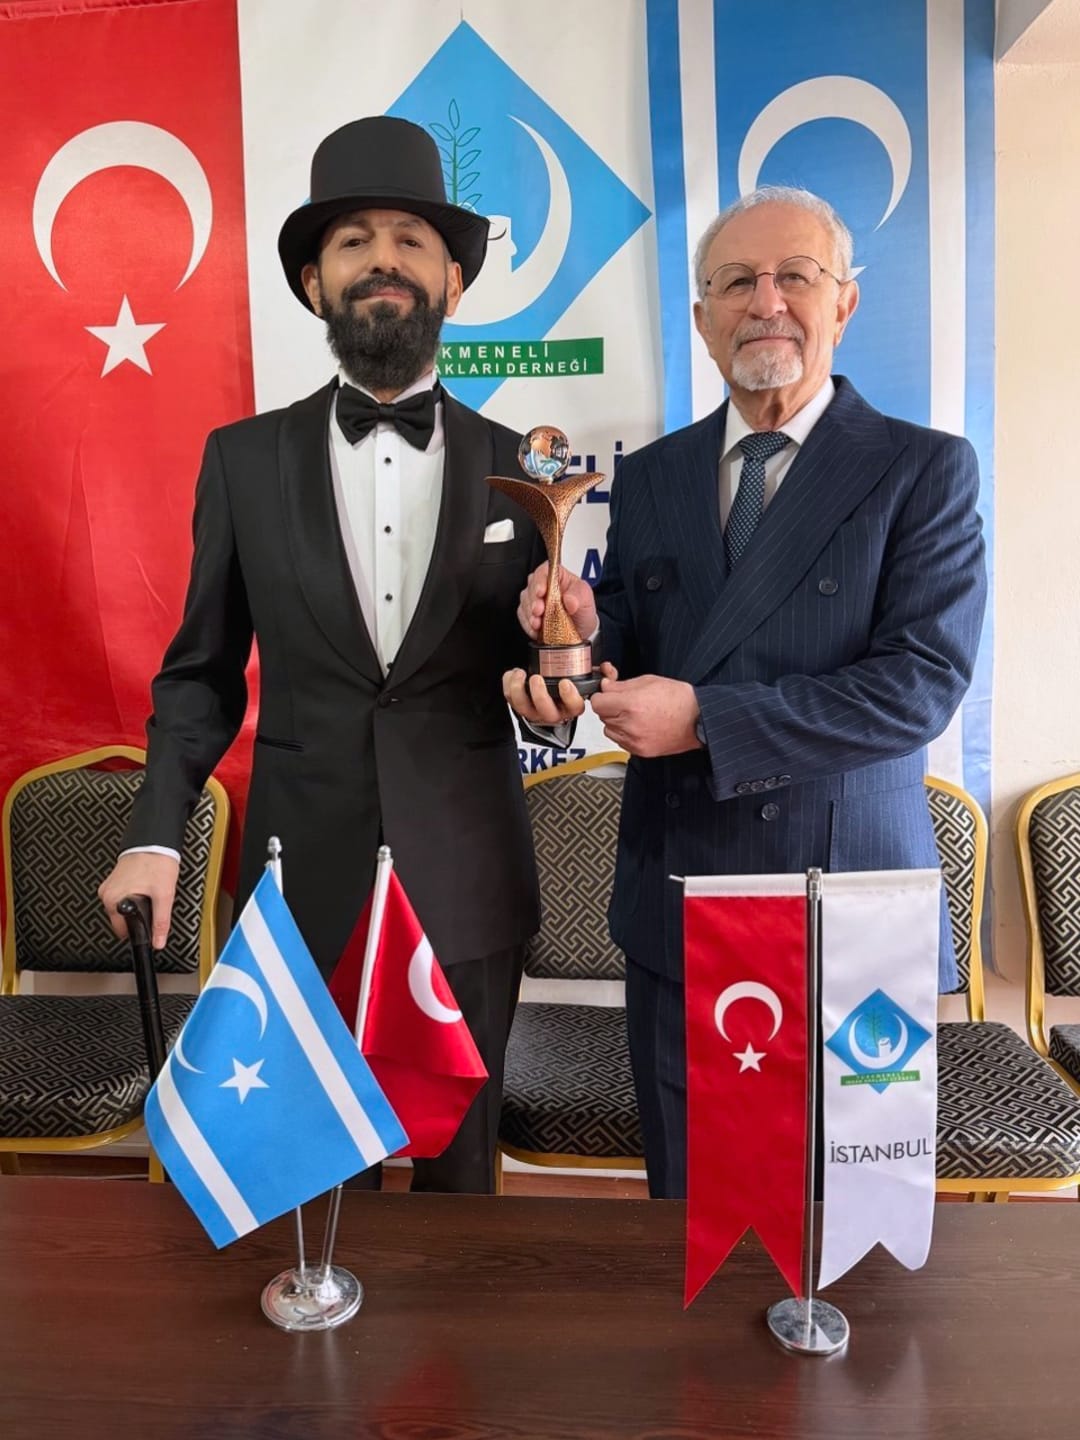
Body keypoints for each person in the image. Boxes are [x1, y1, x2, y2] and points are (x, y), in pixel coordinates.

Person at [506, 186, 987, 1198]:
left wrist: (707, 721)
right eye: (736, 282)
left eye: (794, 277)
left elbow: (919, 687)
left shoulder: (923, 468)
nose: (766, 302)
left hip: (844, 907)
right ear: (702, 317)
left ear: (844, 301)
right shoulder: (653, 476)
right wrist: (579, 637)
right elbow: (631, 637)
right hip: (682, 893)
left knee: (850, 1213)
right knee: (696, 1208)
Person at [98, 116, 543, 1194]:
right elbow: (199, 675)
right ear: (314, 283)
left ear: (453, 280)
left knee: (459, 1193)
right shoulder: (242, 460)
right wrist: (157, 833)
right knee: (308, 1180)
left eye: (410, 240)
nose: (383, 261)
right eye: (353, 242)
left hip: (469, 877)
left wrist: (562, 670)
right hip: (300, 879)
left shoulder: (523, 468)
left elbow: (545, 679)